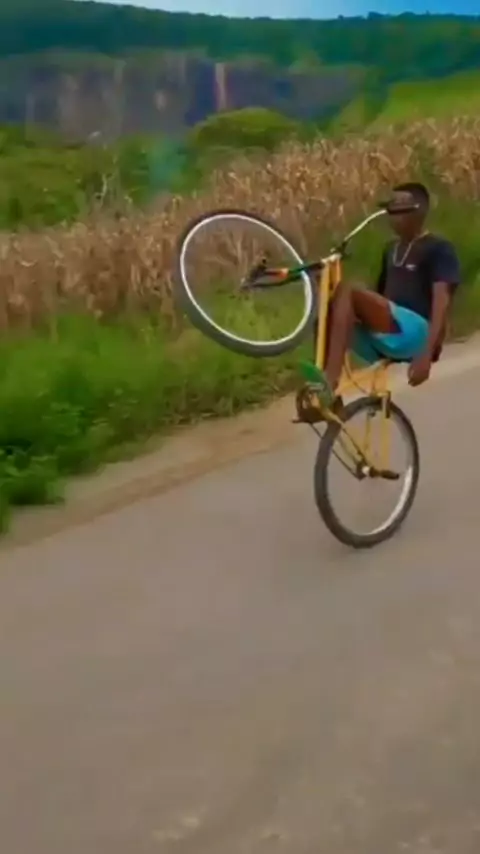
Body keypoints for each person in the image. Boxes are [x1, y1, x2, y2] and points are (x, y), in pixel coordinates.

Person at [317, 181, 461, 406]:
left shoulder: (438, 248)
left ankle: (330, 381)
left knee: (349, 289)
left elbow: (442, 303)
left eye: (400, 207)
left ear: (419, 210)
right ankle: (325, 399)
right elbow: (379, 299)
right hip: (388, 334)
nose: (392, 214)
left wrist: (427, 354)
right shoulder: (391, 249)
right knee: (326, 309)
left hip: (417, 333)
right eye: (390, 208)